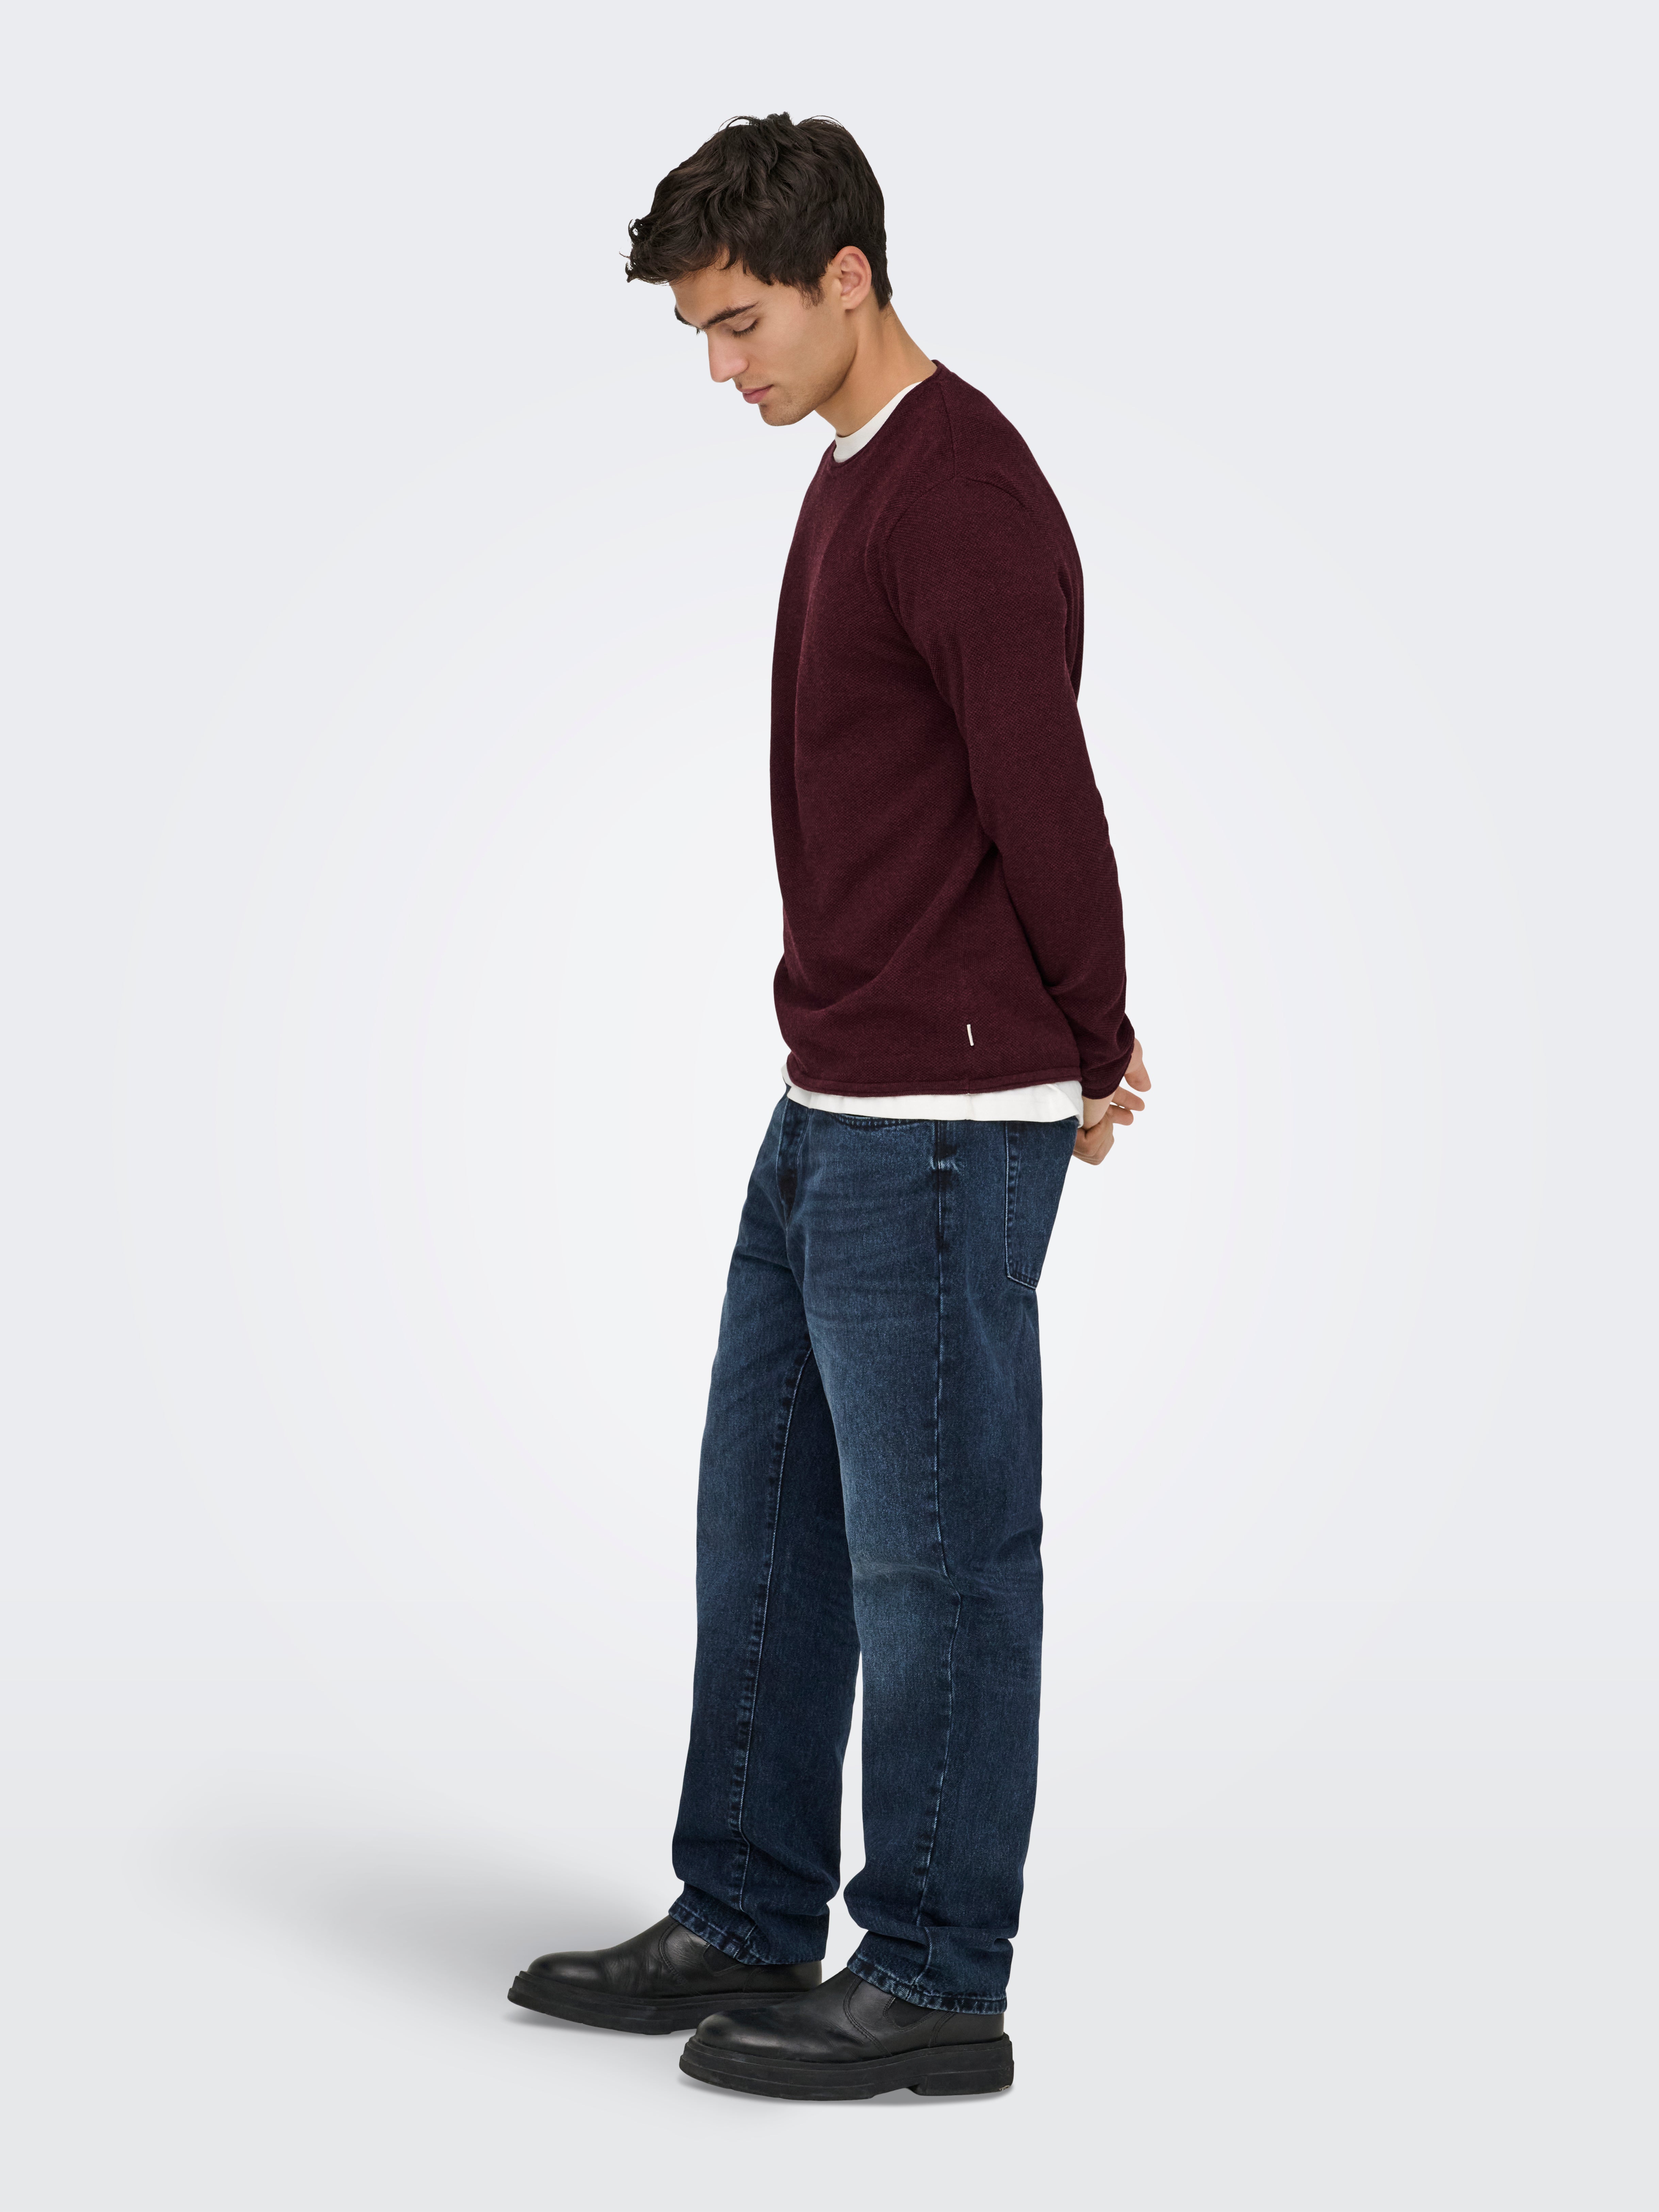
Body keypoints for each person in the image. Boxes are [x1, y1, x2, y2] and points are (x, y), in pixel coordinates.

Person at [510, 112, 1150, 2101]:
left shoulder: (964, 495)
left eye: (742, 323)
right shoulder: (856, 471)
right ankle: (748, 1908)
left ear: (848, 277)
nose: (723, 367)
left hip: (946, 1118)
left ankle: (940, 1973)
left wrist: (1095, 1035)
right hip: (834, 1099)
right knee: (769, 1524)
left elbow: (1044, 791)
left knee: (938, 1558)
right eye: (702, 332)